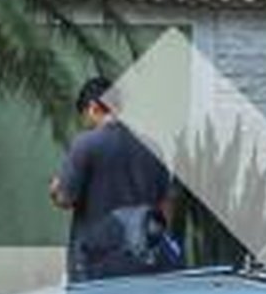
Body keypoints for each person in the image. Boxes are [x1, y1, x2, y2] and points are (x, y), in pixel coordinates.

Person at [51, 75, 181, 282]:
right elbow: (166, 204)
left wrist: (56, 187)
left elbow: (65, 198)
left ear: (93, 107)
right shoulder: (152, 146)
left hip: (95, 263)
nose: (86, 124)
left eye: (84, 117)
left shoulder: (85, 144)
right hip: (144, 264)